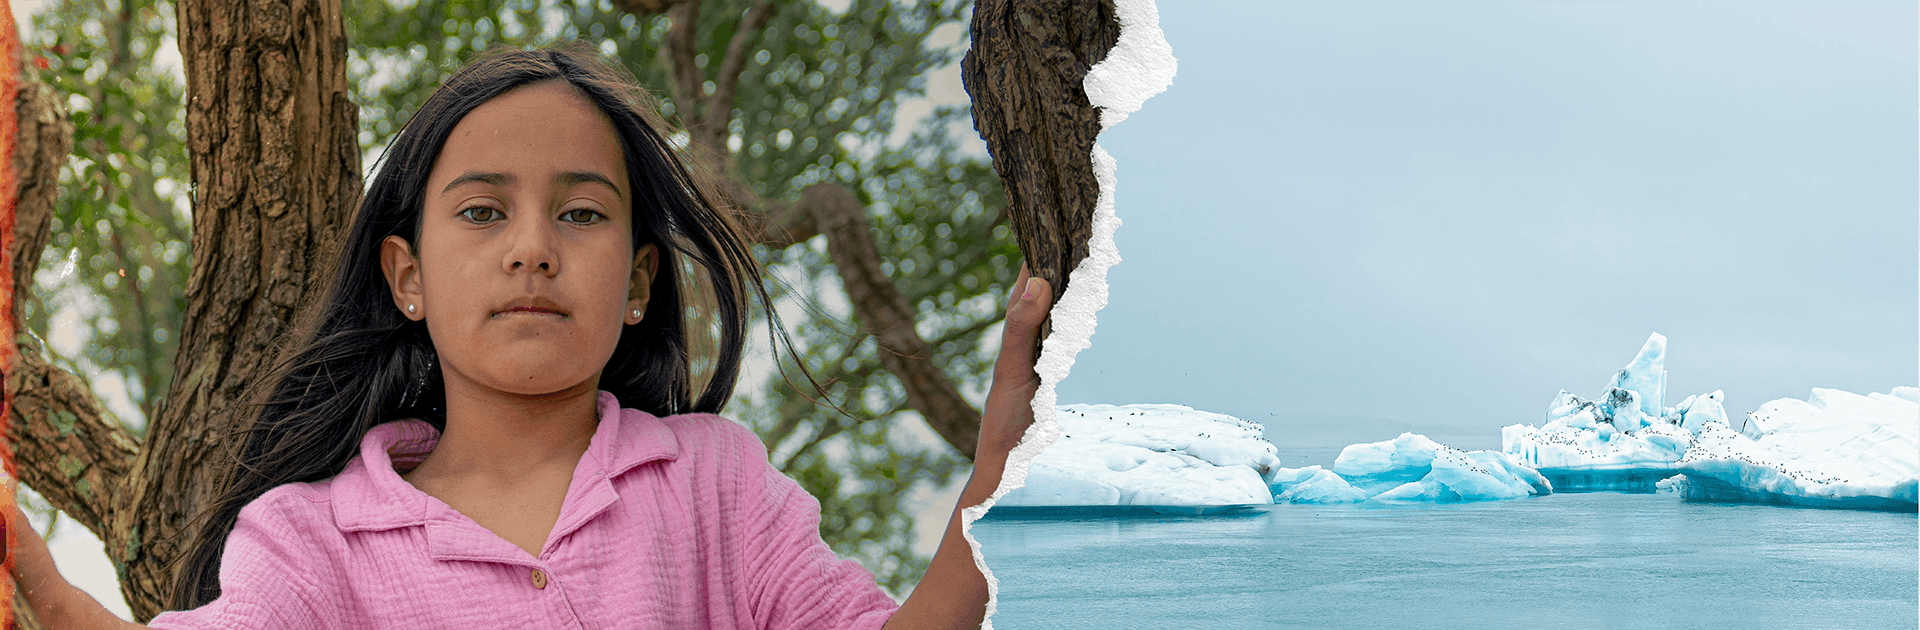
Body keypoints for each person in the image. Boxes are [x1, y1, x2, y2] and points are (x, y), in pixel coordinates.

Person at [7, 45, 1051, 629]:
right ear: (406, 277)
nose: (533, 250)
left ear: (640, 282)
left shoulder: (714, 486)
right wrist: (50, 595)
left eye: (584, 213)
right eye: (481, 211)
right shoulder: (312, 540)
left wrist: (994, 483)